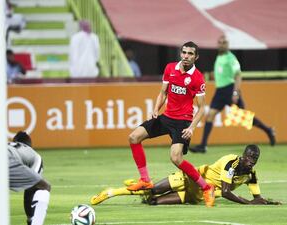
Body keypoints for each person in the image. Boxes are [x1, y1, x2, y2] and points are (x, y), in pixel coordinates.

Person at [127, 41, 215, 207]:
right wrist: (155, 109)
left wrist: (191, 127)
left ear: (196, 57)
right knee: (134, 137)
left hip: (182, 122)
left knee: (176, 158)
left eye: (190, 54)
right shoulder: (170, 68)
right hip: (166, 117)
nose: (186, 56)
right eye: (184, 52)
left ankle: (207, 187)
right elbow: (162, 93)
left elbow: (202, 107)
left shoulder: (197, 78)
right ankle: (145, 180)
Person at [91, 145, 281, 206]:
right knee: (153, 189)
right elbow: (224, 191)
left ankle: (139, 189)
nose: (252, 160)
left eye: (255, 158)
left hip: (196, 194)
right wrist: (248, 203)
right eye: (249, 156)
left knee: (152, 202)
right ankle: (112, 192)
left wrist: (267, 202)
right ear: (244, 155)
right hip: (191, 177)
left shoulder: (252, 175)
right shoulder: (232, 162)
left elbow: (258, 197)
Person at [190, 35, 276, 153]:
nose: (221, 44)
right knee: (209, 115)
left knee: (245, 117)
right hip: (220, 91)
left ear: (227, 45)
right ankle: (203, 146)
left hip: (230, 90)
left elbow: (238, 75)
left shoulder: (231, 58)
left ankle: (268, 130)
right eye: (220, 42)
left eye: (224, 42)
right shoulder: (219, 57)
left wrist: (235, 92)